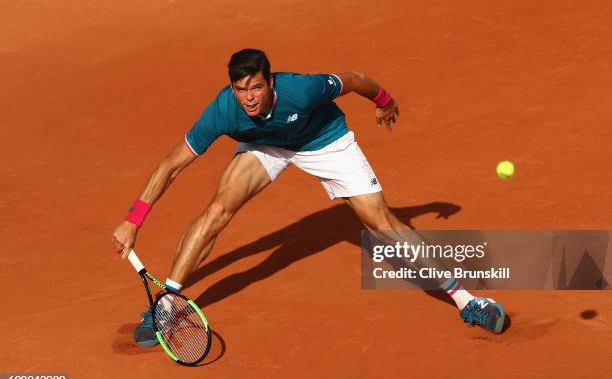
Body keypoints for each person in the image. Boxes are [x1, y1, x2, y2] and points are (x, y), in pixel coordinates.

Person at [112, 49, 506, 346]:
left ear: (271, 82)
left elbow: (352, 79)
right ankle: (166, 303)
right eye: (240, 89)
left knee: (381, 224)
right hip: (265, 146)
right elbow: (170, 166)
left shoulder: (303, 89)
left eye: (256, 87)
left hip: (325, 140)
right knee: (217, 210)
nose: (248, 97)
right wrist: (134, 219)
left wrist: (383, 100)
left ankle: (467, 300)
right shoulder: (223, 112)